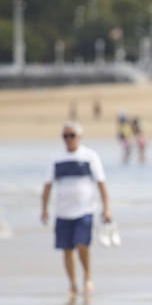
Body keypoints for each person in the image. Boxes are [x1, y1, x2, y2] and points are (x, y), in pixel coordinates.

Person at [40, 122, 112, 296]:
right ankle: (72, 284)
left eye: (72, 135)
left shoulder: (90, 156)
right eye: (65, 136)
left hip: (85, 210)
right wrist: (44, 209)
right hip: (62, 211)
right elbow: (48, 185)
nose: (69, 139)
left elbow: (101, 183)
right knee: (67, 249)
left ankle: (87, 278)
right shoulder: (56, 158)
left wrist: (106, 208)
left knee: (82, 245)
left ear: (80, 137)